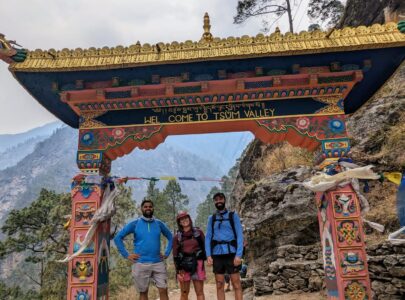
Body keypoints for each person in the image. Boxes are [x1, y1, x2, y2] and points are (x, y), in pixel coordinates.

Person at [114, 199, 173, 300]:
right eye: (145, 207)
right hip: (140, 263)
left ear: (153, 208)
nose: (148, 208)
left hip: (158, 263)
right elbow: (117, 238)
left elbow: (171, 237)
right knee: (143, 293)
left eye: (150, 206)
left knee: (163, 290)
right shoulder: (135, 223)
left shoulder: (159, 223)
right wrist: (127, 255)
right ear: (141, 209)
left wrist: (167, 253)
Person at [205, 192, 244, 300]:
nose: (218, 201)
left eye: (220, 199)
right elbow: (208, 237)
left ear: (224, 200)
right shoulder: (211, 219)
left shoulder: (233, 216)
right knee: (219, 285)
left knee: (236, 284)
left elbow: (240, 236)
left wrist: (238, 255)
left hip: (232, 253)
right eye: (216, 200)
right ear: (214, 202)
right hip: (217, 254)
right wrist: (208, 255)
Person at [173, 211, 206, 300]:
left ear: (189, 219)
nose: (184, 220)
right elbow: (175, 255)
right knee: (184, 293)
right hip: (183, 267)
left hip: (198, 264)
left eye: (186, 218)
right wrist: (178, 271)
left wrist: (205, 257)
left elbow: (205, 247)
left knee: (199, 292)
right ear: (179, 222)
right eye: (181, 219)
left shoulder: (198, 233)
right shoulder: (177, 237)